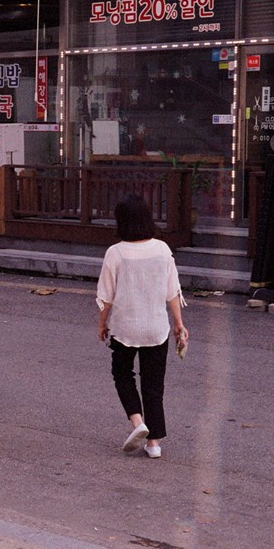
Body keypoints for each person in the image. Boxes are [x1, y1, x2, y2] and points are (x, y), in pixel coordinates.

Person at [96, 194, 188, 459]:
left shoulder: (116, 253)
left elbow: (106, 296)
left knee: (122, 374)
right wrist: (179, 324)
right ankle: (154, 444)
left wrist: (102, 325)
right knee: (154, 385)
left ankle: (138, 423)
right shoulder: (162, 249)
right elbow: (172, 291)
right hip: (156, 328)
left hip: (125, 328)